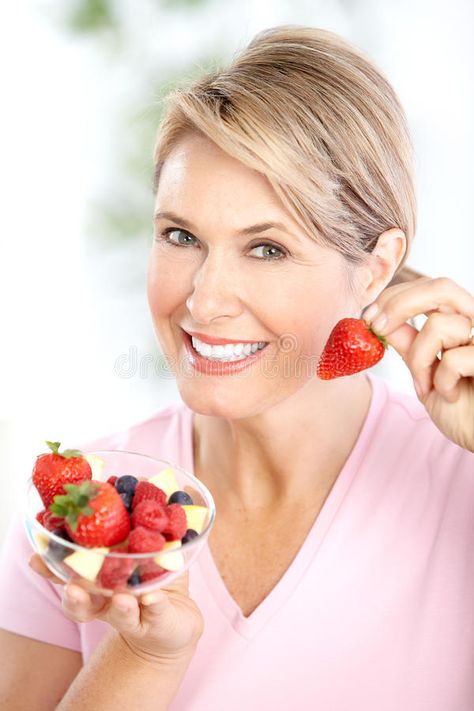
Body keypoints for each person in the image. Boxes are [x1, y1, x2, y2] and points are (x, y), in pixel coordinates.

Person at [1, 24, 474, 711]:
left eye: (267, 248)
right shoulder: (78, 508)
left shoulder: (459, 477)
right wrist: (140, 656)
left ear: (375, 265)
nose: (204, 298)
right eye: (181, 235)